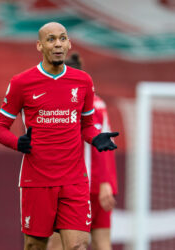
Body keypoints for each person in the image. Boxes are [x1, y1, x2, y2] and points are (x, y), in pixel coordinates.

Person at [0, 22, 119, 250]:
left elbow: (87, 126)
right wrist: (17, 143)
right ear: (40, 46)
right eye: (51, 39)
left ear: (69, 43)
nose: (58, 43)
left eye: (62, 38)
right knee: (35, 246)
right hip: (37, 180)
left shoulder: (83, 81)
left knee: (78, 247)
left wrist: (95, 137)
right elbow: (0, 130)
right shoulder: (21, 82)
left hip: (74, 180)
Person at [47, 53, 118, 250]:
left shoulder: (68, 105)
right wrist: (106, 182)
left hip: (75, 185)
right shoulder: (99, 104)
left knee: (62, 243)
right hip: (99, 183)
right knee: (100, 243)